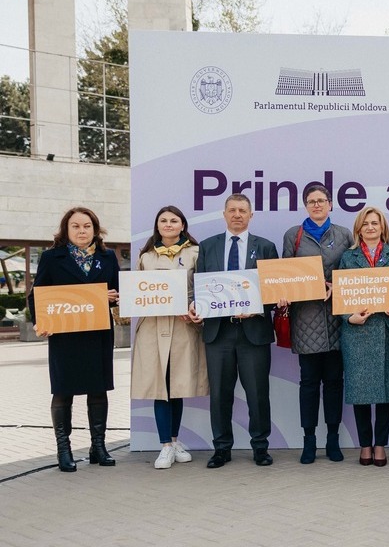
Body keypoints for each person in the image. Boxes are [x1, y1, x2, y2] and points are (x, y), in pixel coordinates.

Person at [189, 193, 279, 468]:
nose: (237, 214)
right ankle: (221, 448)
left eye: (243, 210)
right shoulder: (207, 246)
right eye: (232, 210)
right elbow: (199, 284)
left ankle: (260, 447)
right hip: (219, 333)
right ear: (224, 214)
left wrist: (259, 307)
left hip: (253, 331)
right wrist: (194, 304)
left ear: (251, 215)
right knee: (220, 395)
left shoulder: (266, 247)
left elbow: (275, 291)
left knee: (257, 394)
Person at [29, 206, 121, 472]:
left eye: (87, 226)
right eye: (76, 226)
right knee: (63, 392)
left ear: (95, 229)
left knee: (98, 389)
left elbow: (116, 294)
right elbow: (37, 295)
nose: (82, 231)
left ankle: (99, 446)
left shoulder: (108, 257)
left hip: (98, 333)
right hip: (64, 335)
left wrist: (115, 298)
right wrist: (41, 322)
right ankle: (64, 449)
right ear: (66, 230)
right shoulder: (51, 257)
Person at [277, 185, 352, 464]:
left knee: (334, 383)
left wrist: (337, 285)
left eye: (322, 200)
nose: (317, 205)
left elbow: (353, 273)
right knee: (308, 384)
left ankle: (332, 440)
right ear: (305, 205)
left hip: (337, 321)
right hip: (305, 320)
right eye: (312, 201)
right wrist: (283, 294)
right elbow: (284, 274)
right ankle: (309, 441)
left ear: (330, 204)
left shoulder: (344, 234)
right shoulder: (293, 235)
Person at [131, 206, 209, 469]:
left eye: (173, 220)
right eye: (163, 220)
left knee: (176, 386)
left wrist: (195, 307)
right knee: (159, 386)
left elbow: (203, 289)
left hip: (183, 328)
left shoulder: (195, 253)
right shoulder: (145, 256)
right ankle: (164, 445)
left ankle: (175, 441)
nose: (168, 224)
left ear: (182, 225)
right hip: (153, 328)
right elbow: (138, 292)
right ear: (157, 225)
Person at [339, 206, 389, 467]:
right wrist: (348, 317)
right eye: (365, 224)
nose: (370, 228)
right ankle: (365, 445)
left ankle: (380, 445)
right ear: (358, 228)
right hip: (357, 332)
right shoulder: (348, 257)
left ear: (382, 228)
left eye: (375, 223)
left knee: (386, 393)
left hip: (386, 331)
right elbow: (343, 295)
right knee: (361, 392)